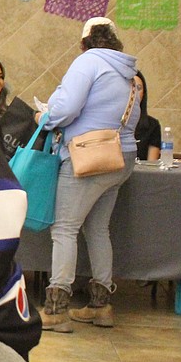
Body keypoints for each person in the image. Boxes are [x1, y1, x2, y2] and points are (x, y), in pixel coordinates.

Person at [38, 17, 140, 333]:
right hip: (121, 157)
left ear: (85, 43)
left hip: (87, 156)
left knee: (64, 229)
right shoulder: (129, 73)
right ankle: (100, 306)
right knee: (98, 229)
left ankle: (56, 309)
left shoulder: (88, 63)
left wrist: (44, 115)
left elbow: (67, 109)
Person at [133, 71, 161, 161]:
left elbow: (151, 166)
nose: (135, 93)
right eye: (131, 87)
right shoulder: (110, 123)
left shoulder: (152, 125)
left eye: (139, 88)